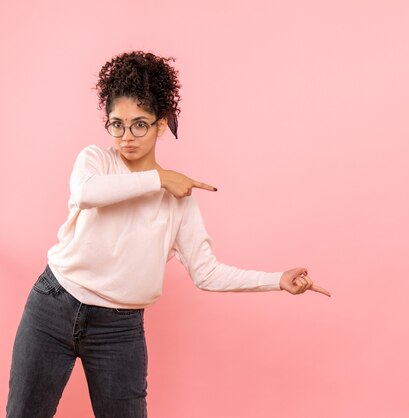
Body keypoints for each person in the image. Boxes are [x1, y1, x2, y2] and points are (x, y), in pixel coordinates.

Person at [6, 50, 330, 418]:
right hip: (52, 306)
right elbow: (85, 194)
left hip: (118, 329)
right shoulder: (97, 160)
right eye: (117, 124)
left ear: (161, 124)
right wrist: (159, 178)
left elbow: (206, 272)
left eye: (140, 124)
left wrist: (277, 280)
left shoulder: (179, 200)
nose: (126, 136)